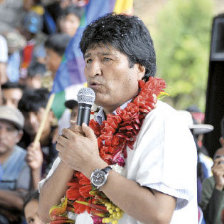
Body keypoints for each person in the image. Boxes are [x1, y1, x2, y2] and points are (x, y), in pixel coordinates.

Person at [38, 13, 197, 224]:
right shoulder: (89, 125)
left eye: (106, 59)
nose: (93, 70)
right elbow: (45, 212)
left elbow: (159, 214)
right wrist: (73, 156)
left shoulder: (163, 122)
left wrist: (90, 164)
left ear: (140, 68)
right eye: (89, 60)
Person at [18, 88, 58, 189]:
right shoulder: (18, 144)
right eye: (26, 116)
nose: (31, 121)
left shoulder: (60, 144)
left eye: (37, 114)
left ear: (51, 115)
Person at [0, 105, 31, 223]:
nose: (2, 135)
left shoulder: (26, 158)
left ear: (19, 136)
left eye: (9, 129)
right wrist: (3, 210)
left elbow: (21, 202)